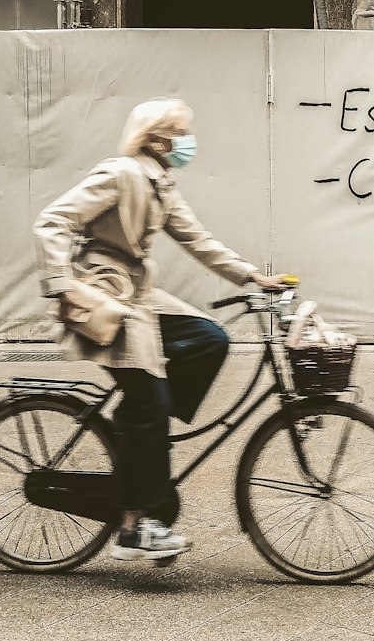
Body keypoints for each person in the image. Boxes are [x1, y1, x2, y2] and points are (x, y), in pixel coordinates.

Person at [33, 97, 285, 563]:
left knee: (211, 338)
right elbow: (53, 220)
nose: (190, 142)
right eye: (183, 132)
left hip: (137, 291)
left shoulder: (161, 185)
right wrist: (61, 286)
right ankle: (134, 528)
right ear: (157, 139)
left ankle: (141, 427)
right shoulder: (120, 174)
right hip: (103, 293)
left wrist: (253, 277)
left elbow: (200, 241)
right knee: (151, 399)